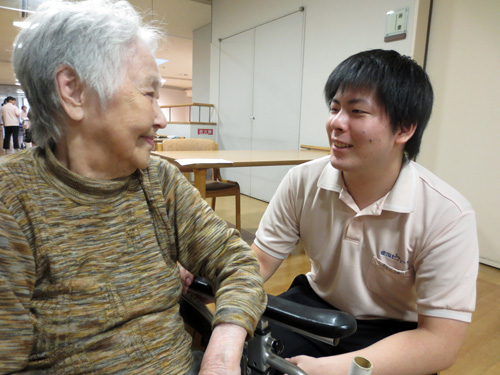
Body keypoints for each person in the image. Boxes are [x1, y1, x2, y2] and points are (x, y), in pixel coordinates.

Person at [0, 1, 266, 374]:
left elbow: (238, 262)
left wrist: (222, 352)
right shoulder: (11, 200)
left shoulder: (159, 180)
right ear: (73, 91)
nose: (160, 118)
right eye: (149, 94)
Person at [251, 49, 479, 375]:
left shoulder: (448, 215)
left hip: (395, 331)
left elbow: (439, 342)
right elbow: (260, 259)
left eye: (357, 111)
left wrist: (325, 369)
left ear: (404, 129)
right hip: (314, 305)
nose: (335, 124)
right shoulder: (303, 179)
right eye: (334, 108)